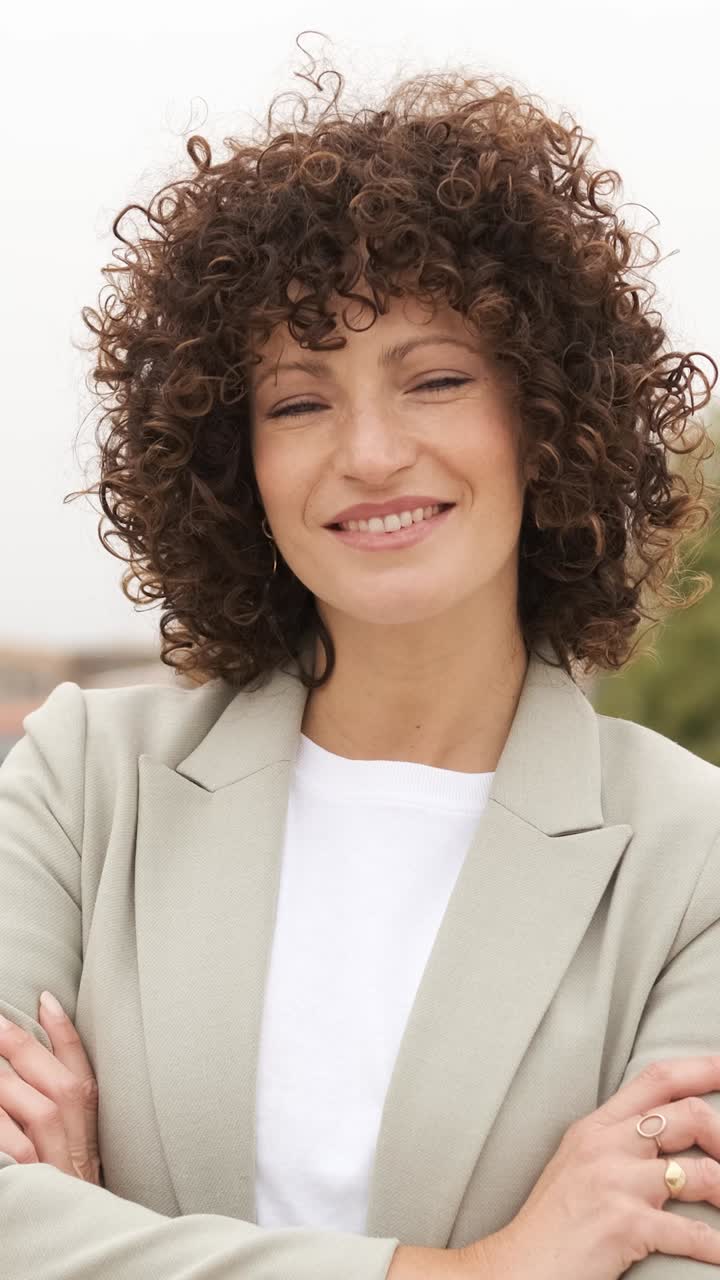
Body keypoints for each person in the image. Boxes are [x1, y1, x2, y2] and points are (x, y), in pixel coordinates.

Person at [1, 48, 719, 1280]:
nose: (371, 451)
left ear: (545, 418)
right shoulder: (80, 785)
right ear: (236, 465)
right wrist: (483, 1269)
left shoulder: (693, 859)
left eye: (435, 379)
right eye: (297, 401)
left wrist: (98, 1231)